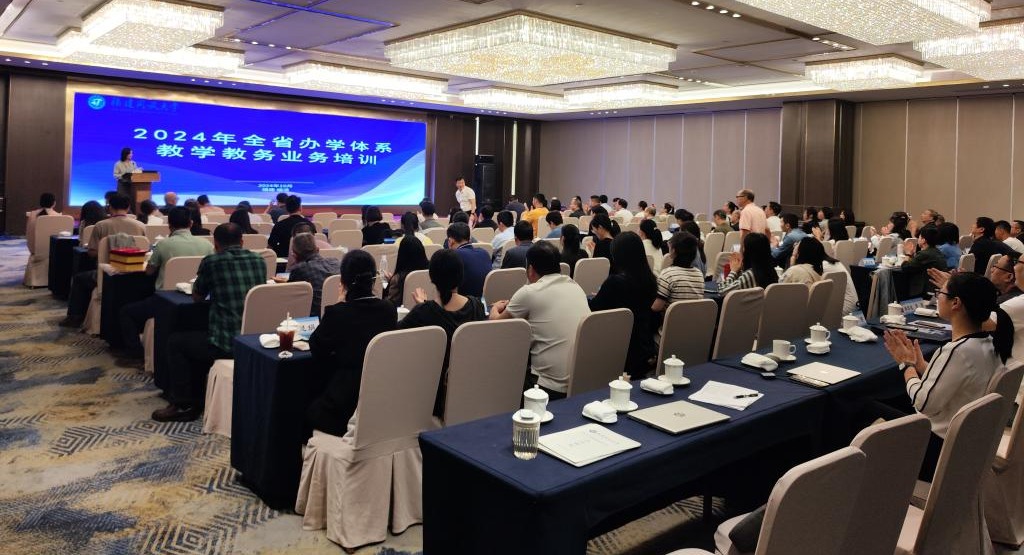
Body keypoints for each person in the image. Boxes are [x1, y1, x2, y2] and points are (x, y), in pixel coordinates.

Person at [881, 272, 1011, 479]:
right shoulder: (989, 343)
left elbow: (922, 402)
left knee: (859, 409)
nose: (938, 297)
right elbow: (958, 381)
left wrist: (906, 365)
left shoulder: (957, 351)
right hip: (964, 445)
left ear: (956, 303)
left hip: (938, 450)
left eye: (940, 293)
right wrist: (921, 366)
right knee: (887, 401)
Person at [152, 223, 267, 422]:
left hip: (226, 343)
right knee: (197, 337)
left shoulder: (212, 262)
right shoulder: (259, 260)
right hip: (253, 341)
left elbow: (197, 296)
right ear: (242, 241)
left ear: (216, 244)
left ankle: (184, 404)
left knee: (176, 342)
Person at [306, 250, 397, 435]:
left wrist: (339, 303)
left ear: (343, 282)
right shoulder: (388, 309)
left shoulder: (339, 313)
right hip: (378, 397)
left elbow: (316, 346)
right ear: (373, 280)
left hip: (342, 404)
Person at [115, 207, 215, 366]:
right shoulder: (207, 245)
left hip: (165, 302)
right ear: (191, 223)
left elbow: (149, 271)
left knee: (126, 312)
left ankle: (134, 354)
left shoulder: (163, 244)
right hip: (198, 300)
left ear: (169, 225)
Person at [489, 241, 590, 399]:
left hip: (547, 388)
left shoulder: (529, 292)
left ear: (530, 269)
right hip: (583, 382)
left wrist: (495, 308)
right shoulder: (575, 285)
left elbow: (496, 325)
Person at [398, 248, 487, 415]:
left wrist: (423, 306)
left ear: (432, 277)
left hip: (434, 395)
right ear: (461, 276)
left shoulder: (423, 312)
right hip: (473, 387)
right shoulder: (477, 306)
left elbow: (394, 338)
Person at [60, 193, 146, 328]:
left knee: (79, 278)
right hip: (135, 274)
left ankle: (75, 317)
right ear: (128, 207)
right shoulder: (141, 226)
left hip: (106, 275)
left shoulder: (101, 225)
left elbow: (92, 252)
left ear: (109, 207)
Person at [590, 232, 658, 376]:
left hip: (620, 350)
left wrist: (601, 295)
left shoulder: (615, 283)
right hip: (645, 346)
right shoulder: (651, 280)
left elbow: (593, 310)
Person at [651, 231, 705, 327]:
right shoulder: (699, 274)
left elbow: (656, 307)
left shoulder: (668, 274)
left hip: (670, 329)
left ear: (673, 251)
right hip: (692, 326)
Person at [287, 233, 341, 317]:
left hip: (313, 318)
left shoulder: (299, 269)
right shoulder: (335, 262)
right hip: (339, 313)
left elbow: (290, 297)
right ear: (318, 249)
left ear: (295, 255)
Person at [901, 227, 948, 297]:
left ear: (923, 240)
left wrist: (908, 253)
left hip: (927, 291)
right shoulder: (937, 252)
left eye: (919, 237)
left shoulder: (924, 254)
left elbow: (905, 267)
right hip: (937, 288)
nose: (918, 239)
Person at [383, 235, 429, 306]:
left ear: (401, 255)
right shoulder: (431, 272)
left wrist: (391, 282)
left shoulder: (399, 279)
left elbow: (389, 305)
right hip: (428, 310)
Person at [447, 222, 490, 297]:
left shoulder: (453, 256)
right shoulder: (484, 252)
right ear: (469, 239)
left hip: (463, 301)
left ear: (451, 241)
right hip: (483, 300)